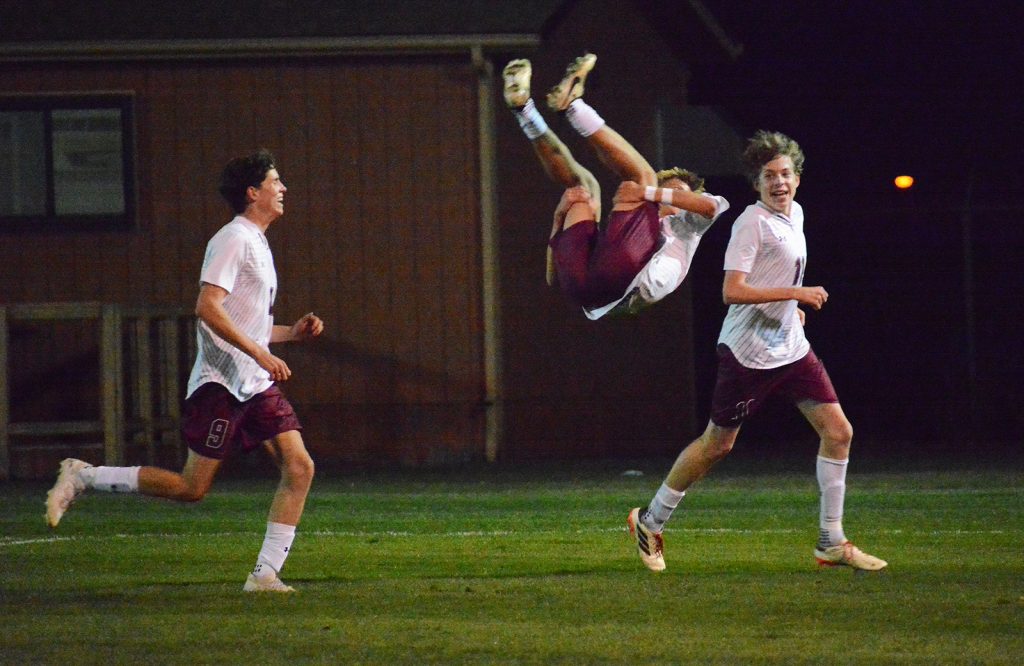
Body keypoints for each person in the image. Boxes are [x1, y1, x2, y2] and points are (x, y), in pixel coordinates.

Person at [45, 149, 324, 593]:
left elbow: (246, 321)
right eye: (275, 181)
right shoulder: (232, 239)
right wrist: (259, 352)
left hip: (252, 383)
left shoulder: (258, 241)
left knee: (299, 466)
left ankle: (265, 575)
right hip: (221, 384)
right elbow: (207, 308)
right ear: (253, 193)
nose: (283, 188)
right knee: (191, 487)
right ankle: (85, 475)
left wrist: (292, 333)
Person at [625, 131, 887, 572]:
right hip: (748, 353)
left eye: (785, 174)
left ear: (798, 179)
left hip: (790, 347)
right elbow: (732, 291)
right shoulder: (751, 223)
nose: (779, 182)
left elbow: (783, 270)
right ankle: (649, 520)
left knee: (839, 432)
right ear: (757, 183)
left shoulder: (796, 214)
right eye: (769, 176)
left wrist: (792, 308)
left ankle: (831, 540)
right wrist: (797, 294)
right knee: (717, 445)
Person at [503, 54, 729, 319]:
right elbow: (553, 279)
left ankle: (573, 107)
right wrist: (558, 218)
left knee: (642, 176)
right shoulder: (624, 236)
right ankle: (523, 110)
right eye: (671, 193)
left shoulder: (687, 228)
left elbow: (711, 207)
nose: (671, 200)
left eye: (679, 195)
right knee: (583, 188)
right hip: (583, 290)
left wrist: (649, 191)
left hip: (623, 278)